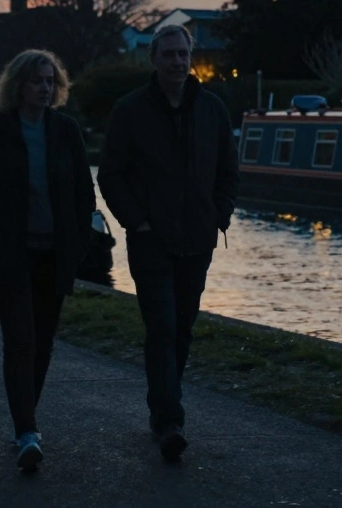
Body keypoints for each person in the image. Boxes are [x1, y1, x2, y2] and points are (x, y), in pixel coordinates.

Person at [97, 24, 239, 462]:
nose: (177, 62)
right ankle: (169, 420)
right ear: (154, 60)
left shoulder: (212, 109)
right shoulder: (130, 110)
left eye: (183, 54)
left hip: (198, 239)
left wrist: (219, 215)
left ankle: (163, 406)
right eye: (169, 55)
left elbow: (228, 170)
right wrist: (136, 222)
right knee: (161, 326)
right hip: (151, 240)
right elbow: (111, 174)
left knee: (182, 327)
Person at [0, 49, 96, 471]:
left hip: (54, 255)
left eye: (50, 81)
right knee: (21, 341)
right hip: (10, 258)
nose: (45, 88)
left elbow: (83, 193)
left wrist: (78, 242)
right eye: (37, 81)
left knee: (43, 343)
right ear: (18, 85)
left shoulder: (65, 131)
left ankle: (24, 420)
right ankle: (27, 431)